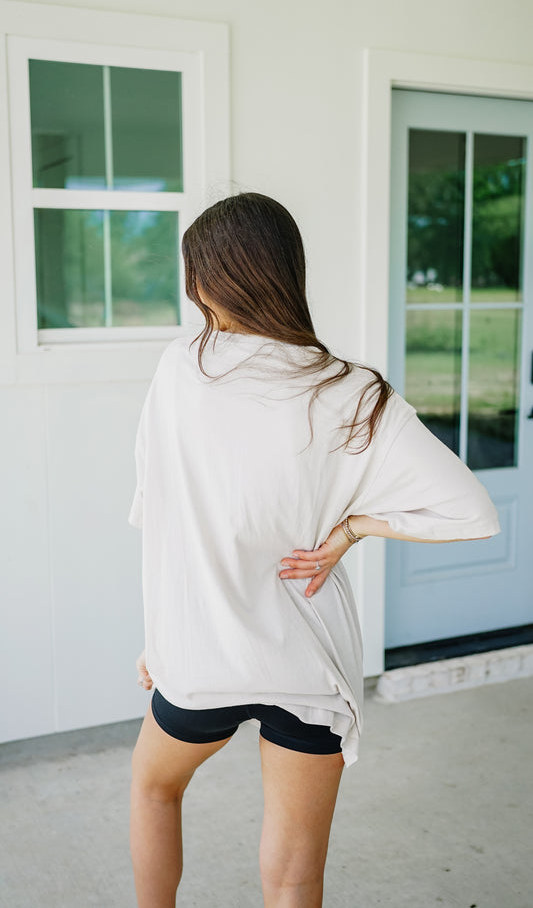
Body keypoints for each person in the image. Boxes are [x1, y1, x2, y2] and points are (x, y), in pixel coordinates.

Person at [128, 192, 499, 908]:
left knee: (153, 788)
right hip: (309, 661)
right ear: (285, 271)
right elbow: (471, 511)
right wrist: (352, 529)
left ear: (206, 280)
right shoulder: (352, 391)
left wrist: (160, 639)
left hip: (201, 654)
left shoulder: (181, 369)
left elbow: (163, 516)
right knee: (295, 876)